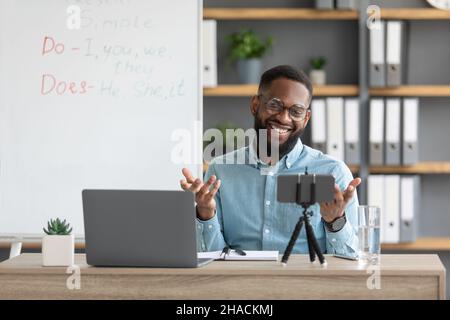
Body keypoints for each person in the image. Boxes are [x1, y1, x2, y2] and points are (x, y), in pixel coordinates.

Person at [180, 65, 361, 256]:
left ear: (306, 118)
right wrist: (205, 213)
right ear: (255, 105)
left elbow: (350, 258)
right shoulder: (221, 170)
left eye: (296, 111)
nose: (284, 118)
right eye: (275, 105)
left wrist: (335, 222)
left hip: (305, 285)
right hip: (238, 284)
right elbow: (213, 259)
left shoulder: (331, 173)